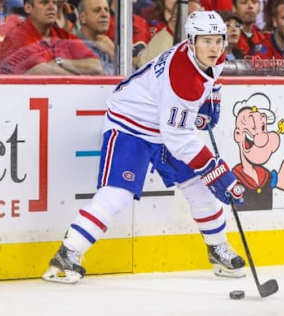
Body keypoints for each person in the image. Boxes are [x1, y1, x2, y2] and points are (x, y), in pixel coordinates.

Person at [42, 10, 246, 284]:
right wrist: (215, 169)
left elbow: (211, 79)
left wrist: (212, 99)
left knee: (197, 185)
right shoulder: (182, 77)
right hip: (131, 124)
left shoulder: (213, 55)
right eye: (206, 40)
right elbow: (179, 139)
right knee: (118, 194)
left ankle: (217, 248)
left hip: (164, 124)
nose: (214, 47)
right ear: (190, 41)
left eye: (218, 40)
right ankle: (67, 254)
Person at [0, 0, 103, 75]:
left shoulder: (63, 35)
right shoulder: (17, 36)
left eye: (54, 2)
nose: (52, 7)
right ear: (28, 8)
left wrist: (60, 62)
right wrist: (79, 77)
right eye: (44, 2)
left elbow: (96, 66)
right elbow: (41, 71)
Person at [76, 0, 115, 75]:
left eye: (107, 10)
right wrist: (114, 54)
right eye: (97, 10)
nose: (104, 14)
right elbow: (103, 79)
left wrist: (113, 52)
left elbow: (134, 79)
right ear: (82, 17)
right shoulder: (72, 45)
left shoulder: (108, 44)